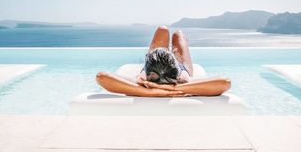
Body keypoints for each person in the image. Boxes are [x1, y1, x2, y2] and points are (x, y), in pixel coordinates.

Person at [96, 26, 231, 97]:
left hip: (157, 70)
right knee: (178, 35)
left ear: (146, 72)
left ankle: (161, 52)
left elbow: (101, 77)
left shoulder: (143, 81)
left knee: (162, 29)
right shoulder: (183, 80)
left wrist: (150, 91)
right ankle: (175, 41)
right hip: (172, 72)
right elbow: (224, 82)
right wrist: (174, 89)